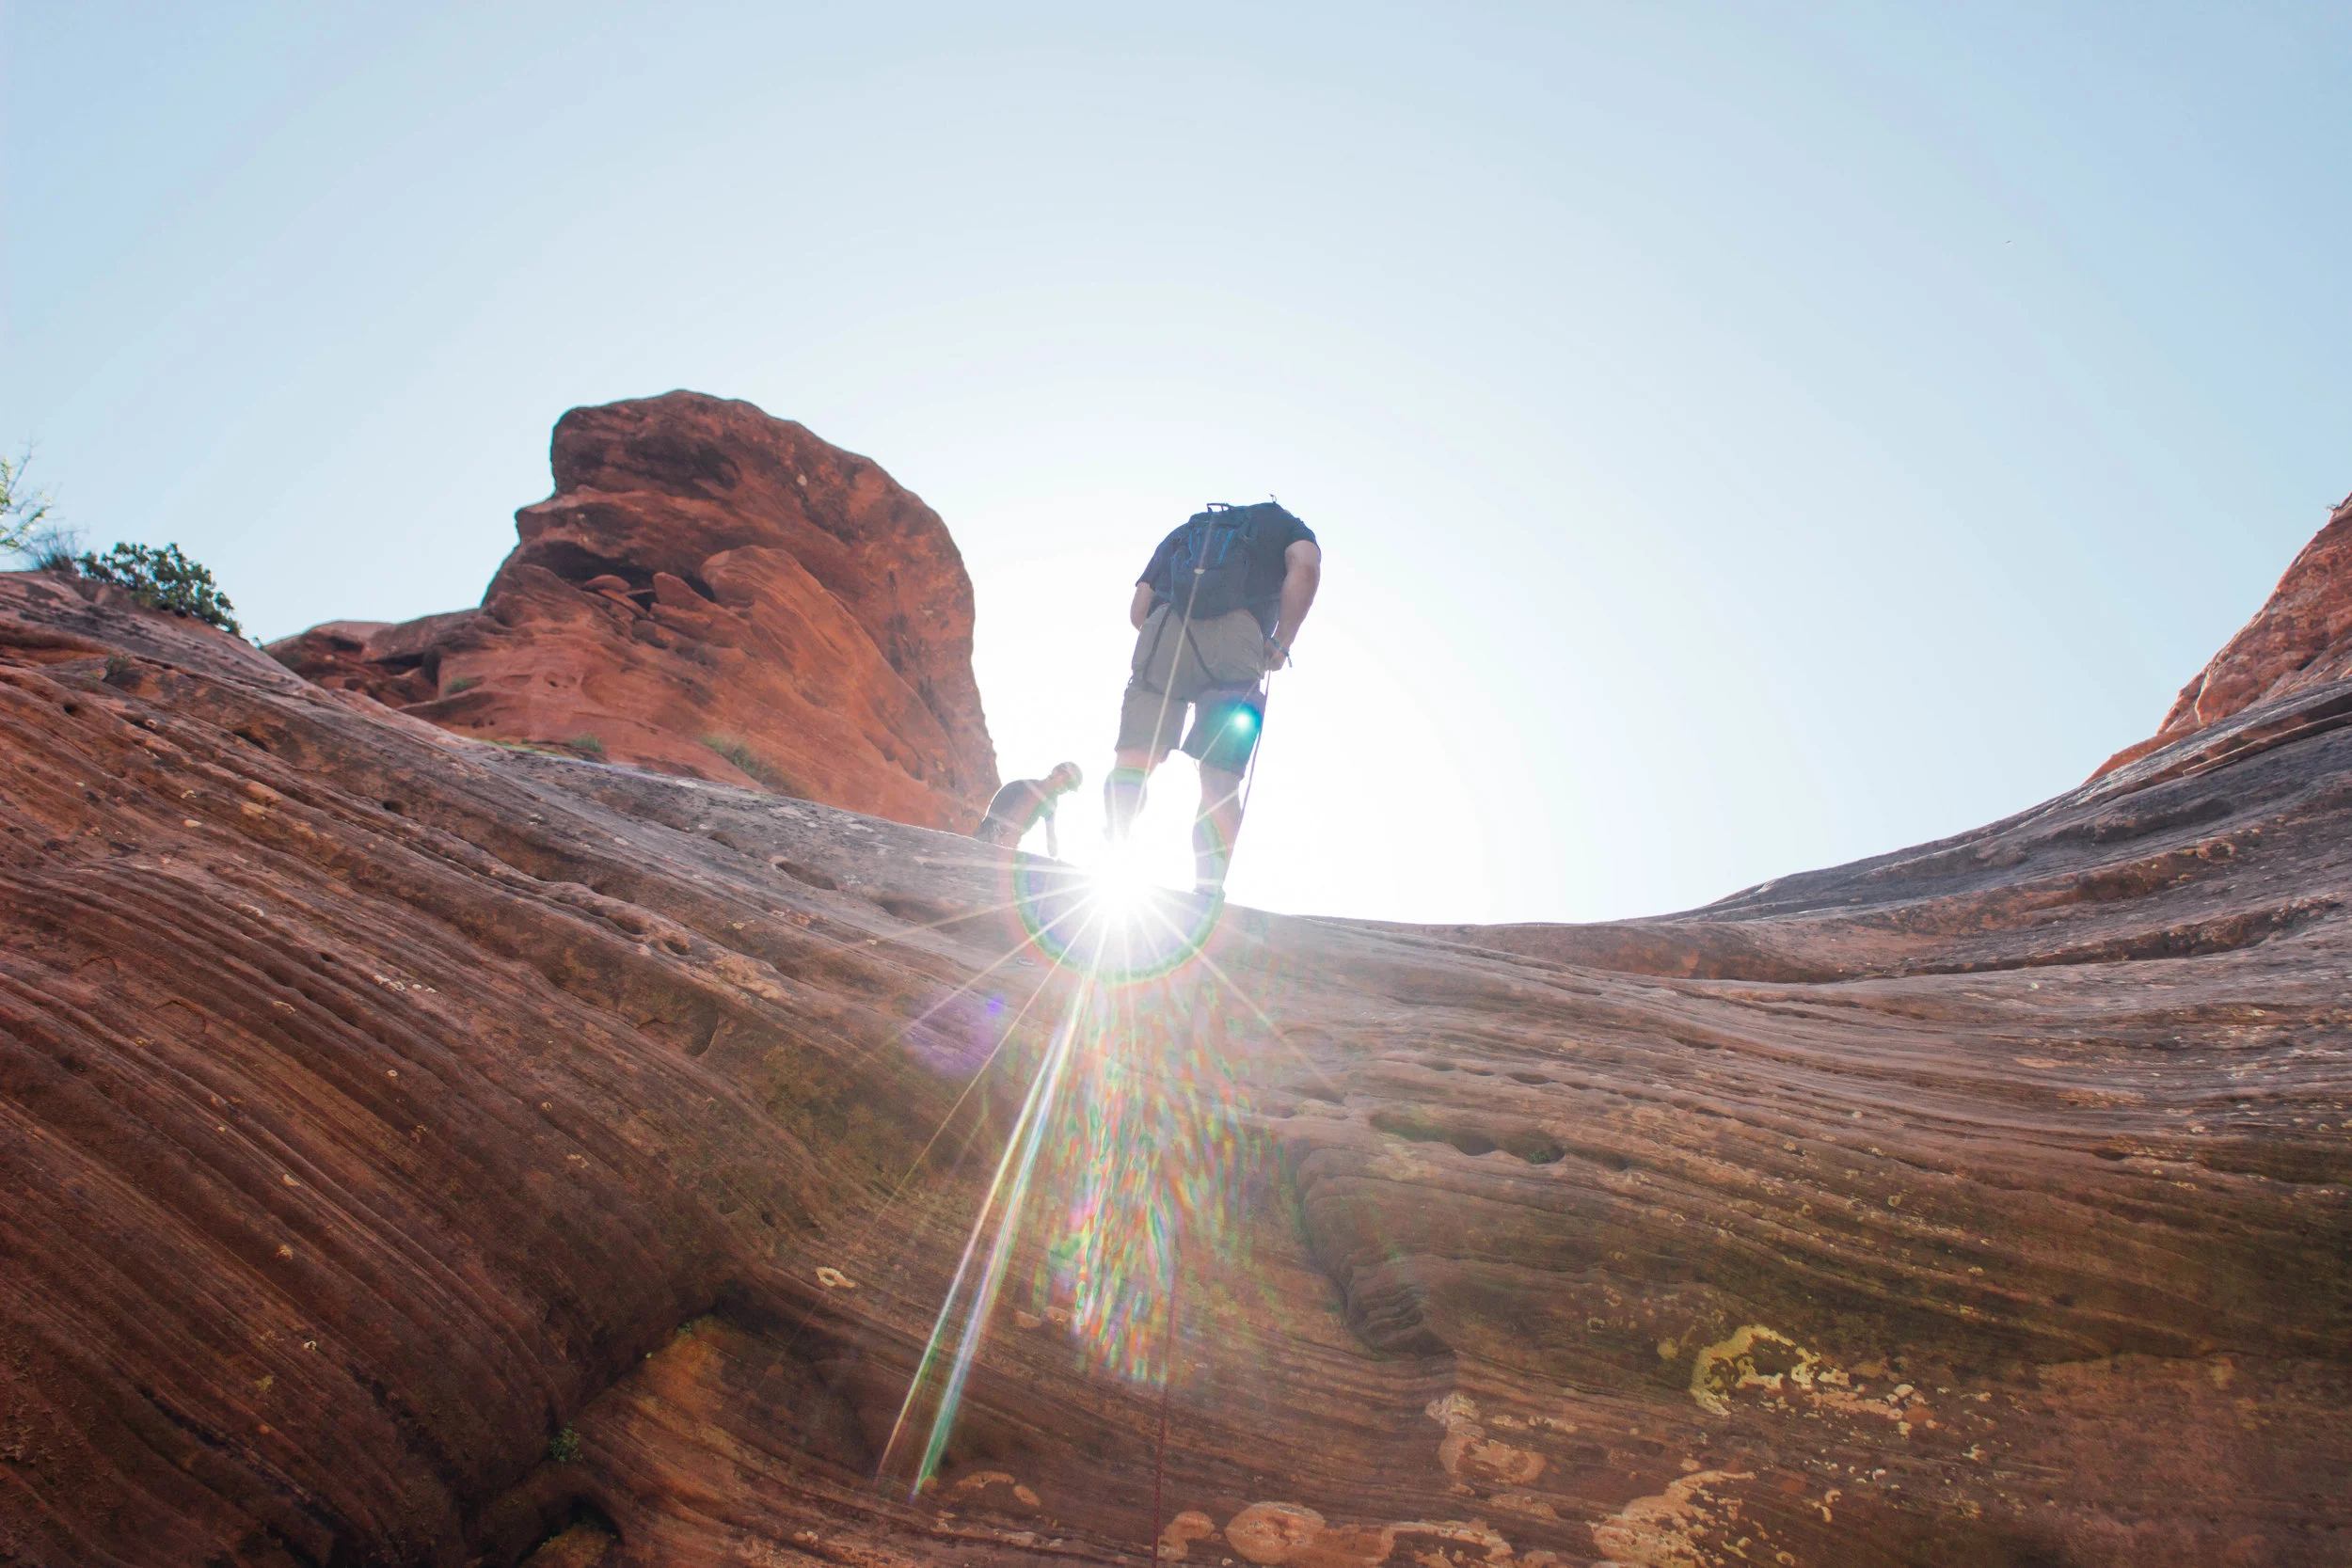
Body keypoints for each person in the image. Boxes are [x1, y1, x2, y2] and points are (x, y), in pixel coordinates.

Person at [1107, 500, 1321, 895]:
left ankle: (1113, 852)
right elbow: (1304, 568)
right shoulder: (1288, 527)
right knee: (1219, 779)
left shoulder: (1190, 529)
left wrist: (1165, 645)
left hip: (1164, 629)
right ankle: (1207, 890)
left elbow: (1138, 609)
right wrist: (1281, 641)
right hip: (1238, 635)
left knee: (1134, 760)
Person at [975, 762, 1084, 857]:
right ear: (1055, 772)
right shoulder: (1025, 787)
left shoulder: (1050, 803)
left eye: (1069, 786)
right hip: (989, 838)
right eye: (1067, 782)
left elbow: (1051, 839)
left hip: (1003, 844)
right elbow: (1007, 823)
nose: (1066, 789)